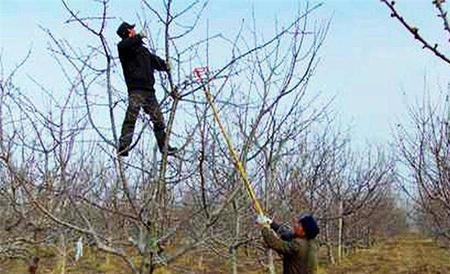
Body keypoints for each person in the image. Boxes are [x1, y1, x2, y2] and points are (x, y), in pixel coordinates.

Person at [116, 22, 177, 157]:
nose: (135, 30)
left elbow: (153, 61)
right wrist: (139, 37)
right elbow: (125, 44)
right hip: (136, 90)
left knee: (159, 120)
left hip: (150, 91)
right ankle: (123, 146)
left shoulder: (143, 50)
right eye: (132, 29)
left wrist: (165, 65)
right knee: (131, 117)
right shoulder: (124, 48)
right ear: (128, 31)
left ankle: (164, 147)